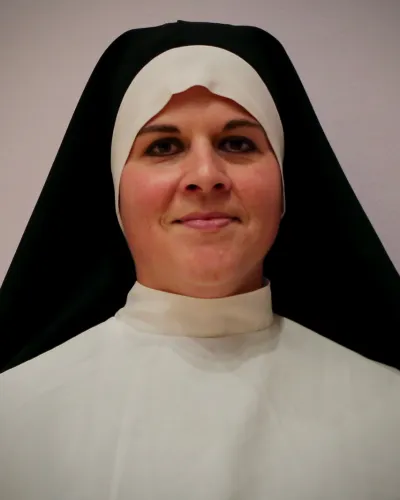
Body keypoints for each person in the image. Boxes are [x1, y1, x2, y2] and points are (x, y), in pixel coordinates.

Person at [0, 20, 399, 500]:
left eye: (237, 143)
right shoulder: (14, 419)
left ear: (285, 183)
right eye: (164, 147)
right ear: (115, 191)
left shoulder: (388, 413)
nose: (206, 176)